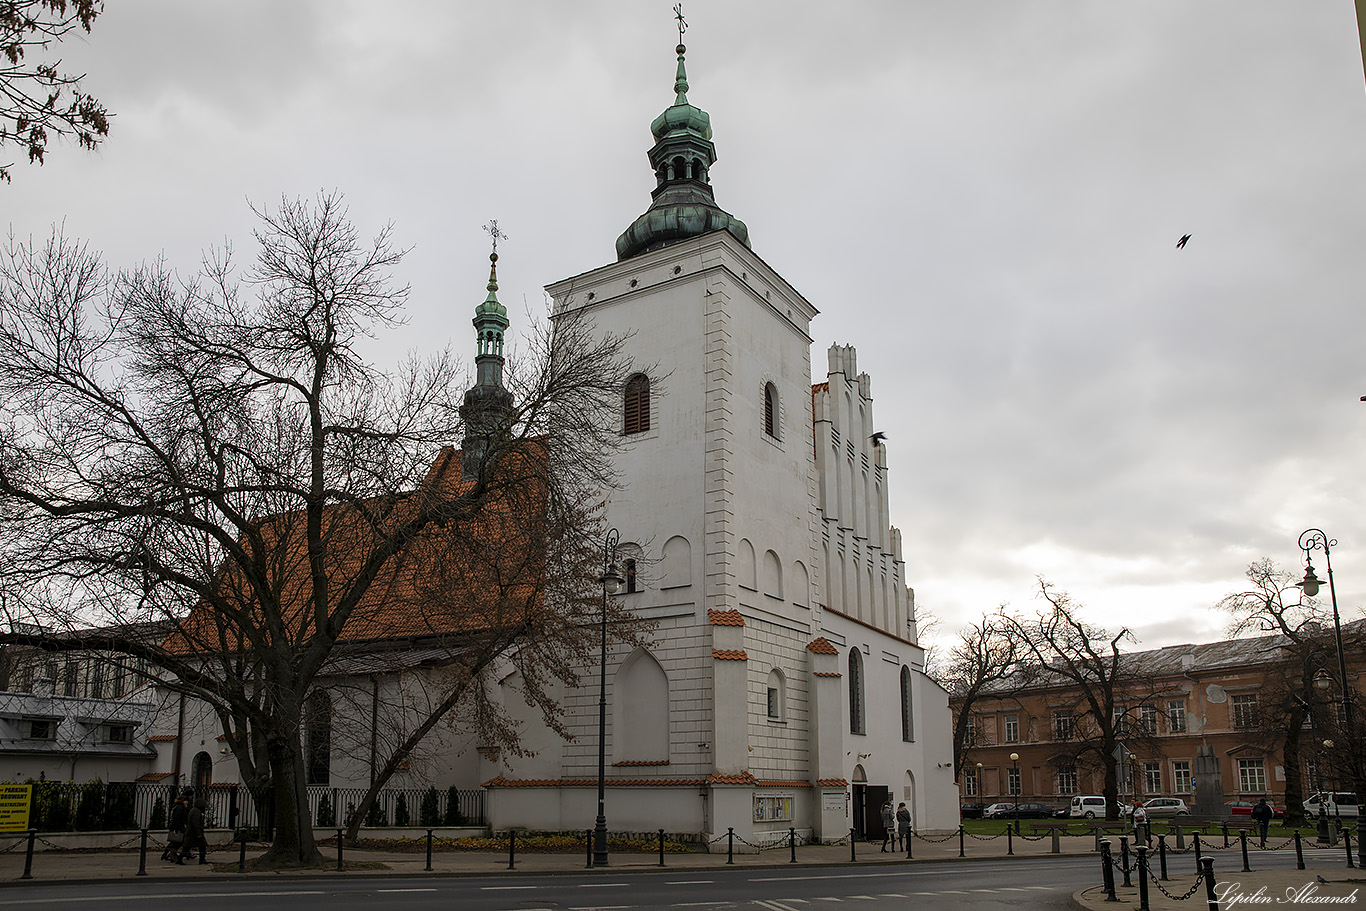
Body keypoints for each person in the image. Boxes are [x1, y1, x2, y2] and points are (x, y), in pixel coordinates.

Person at [180, 795, 209, 865]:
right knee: (202, 846)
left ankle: (179, 859)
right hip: (194, 833)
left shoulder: (193, 810)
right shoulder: (196, 812)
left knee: (187, 847)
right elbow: (195, 824)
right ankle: (202, 860)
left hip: (191, 833)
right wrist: (198, 834)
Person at [162, 792, 188, 862]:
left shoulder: (177, 806)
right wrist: (180, 827)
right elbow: (176, 818)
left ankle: (167, 854)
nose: (187, 802)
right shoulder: (180, 807)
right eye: (186, 801)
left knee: (175, 842)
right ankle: (172, 854)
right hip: (177, 828)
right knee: (178, 842)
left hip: (176, 827)